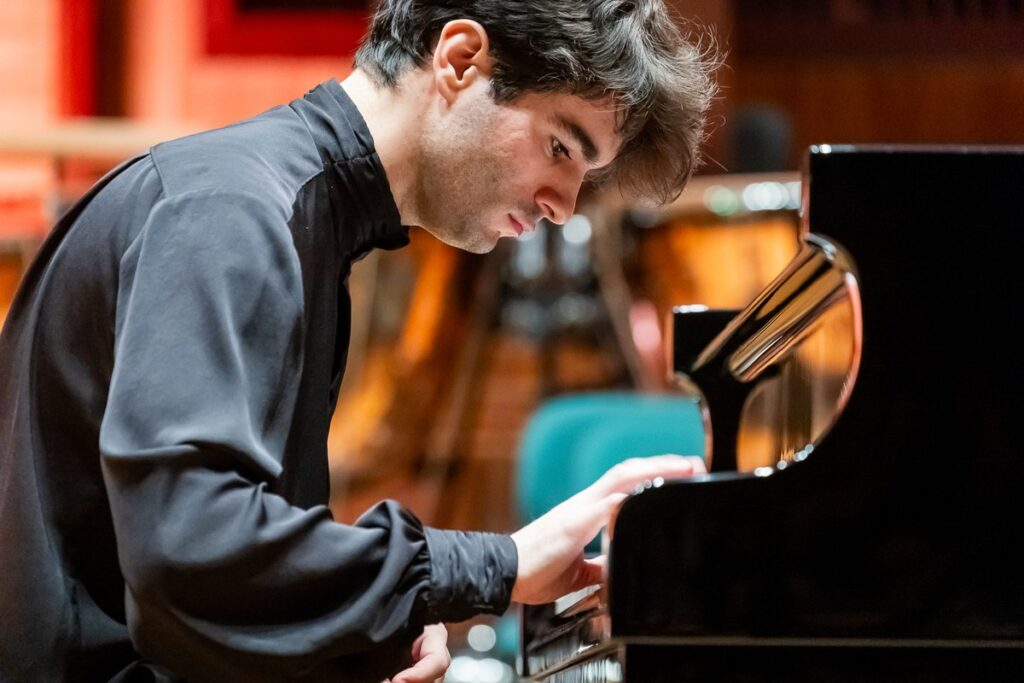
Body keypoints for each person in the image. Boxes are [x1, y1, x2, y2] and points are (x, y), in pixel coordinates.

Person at [0, 0, 716, 681]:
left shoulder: (291, 213)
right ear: (461, 59)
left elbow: (214, 578)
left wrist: (378, 620)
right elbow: (189, 551)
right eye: (560, 145)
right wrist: (494, 564)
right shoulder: (232, 214)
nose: (562, 205)